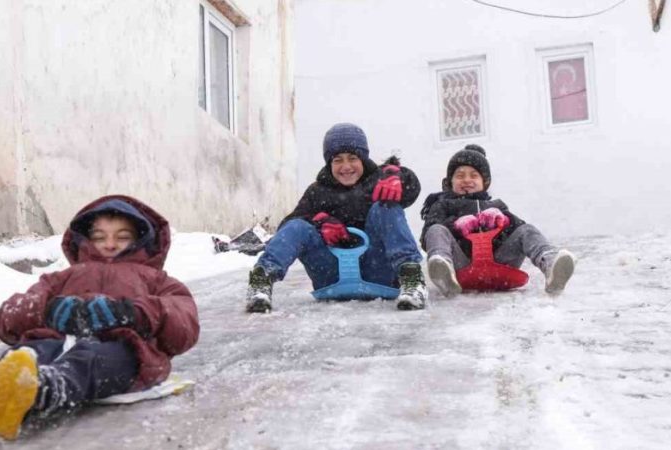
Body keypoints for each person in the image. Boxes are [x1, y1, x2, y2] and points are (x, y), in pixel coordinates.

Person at [0, 195, 200, 440]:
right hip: (56, 339)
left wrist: (136, 313)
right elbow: (6, 319)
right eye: (99, 236)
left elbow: (184, 322)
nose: (109, 244)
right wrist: (45, 311)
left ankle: (38, 388)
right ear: (85, 239)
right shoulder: (61, 278)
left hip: (124, 351)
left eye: (122, 236)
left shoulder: (155, 279)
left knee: (88, 361)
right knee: (30, 351)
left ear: (141, 239)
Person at [246, 122, 427, 312]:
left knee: (387, 206)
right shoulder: (318, 191)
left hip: (378, 271)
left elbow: (411, 188)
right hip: (331, 273)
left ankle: (411, 279)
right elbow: (290, 225)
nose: (346, 166)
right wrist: (319, 221)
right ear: (329, 163)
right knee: (298, 226)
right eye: (337, 160)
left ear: (363, 160)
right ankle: (262, 280)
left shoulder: (379, 181)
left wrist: (399, 177)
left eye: (352, 158)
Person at [420, 144, 575, 298]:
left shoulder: (496, 206)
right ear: (450, 182)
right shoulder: (442, 205)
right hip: (462, 266)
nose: (467, 180)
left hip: (499, 263)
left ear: (484, 182)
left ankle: (550, 264)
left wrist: (505, 220)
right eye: (460, 176)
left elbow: (519, 230)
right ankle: (443, 271)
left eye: (474, 175)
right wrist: (455, 225)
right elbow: (427, 236)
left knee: (526, 230)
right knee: (436, 230)